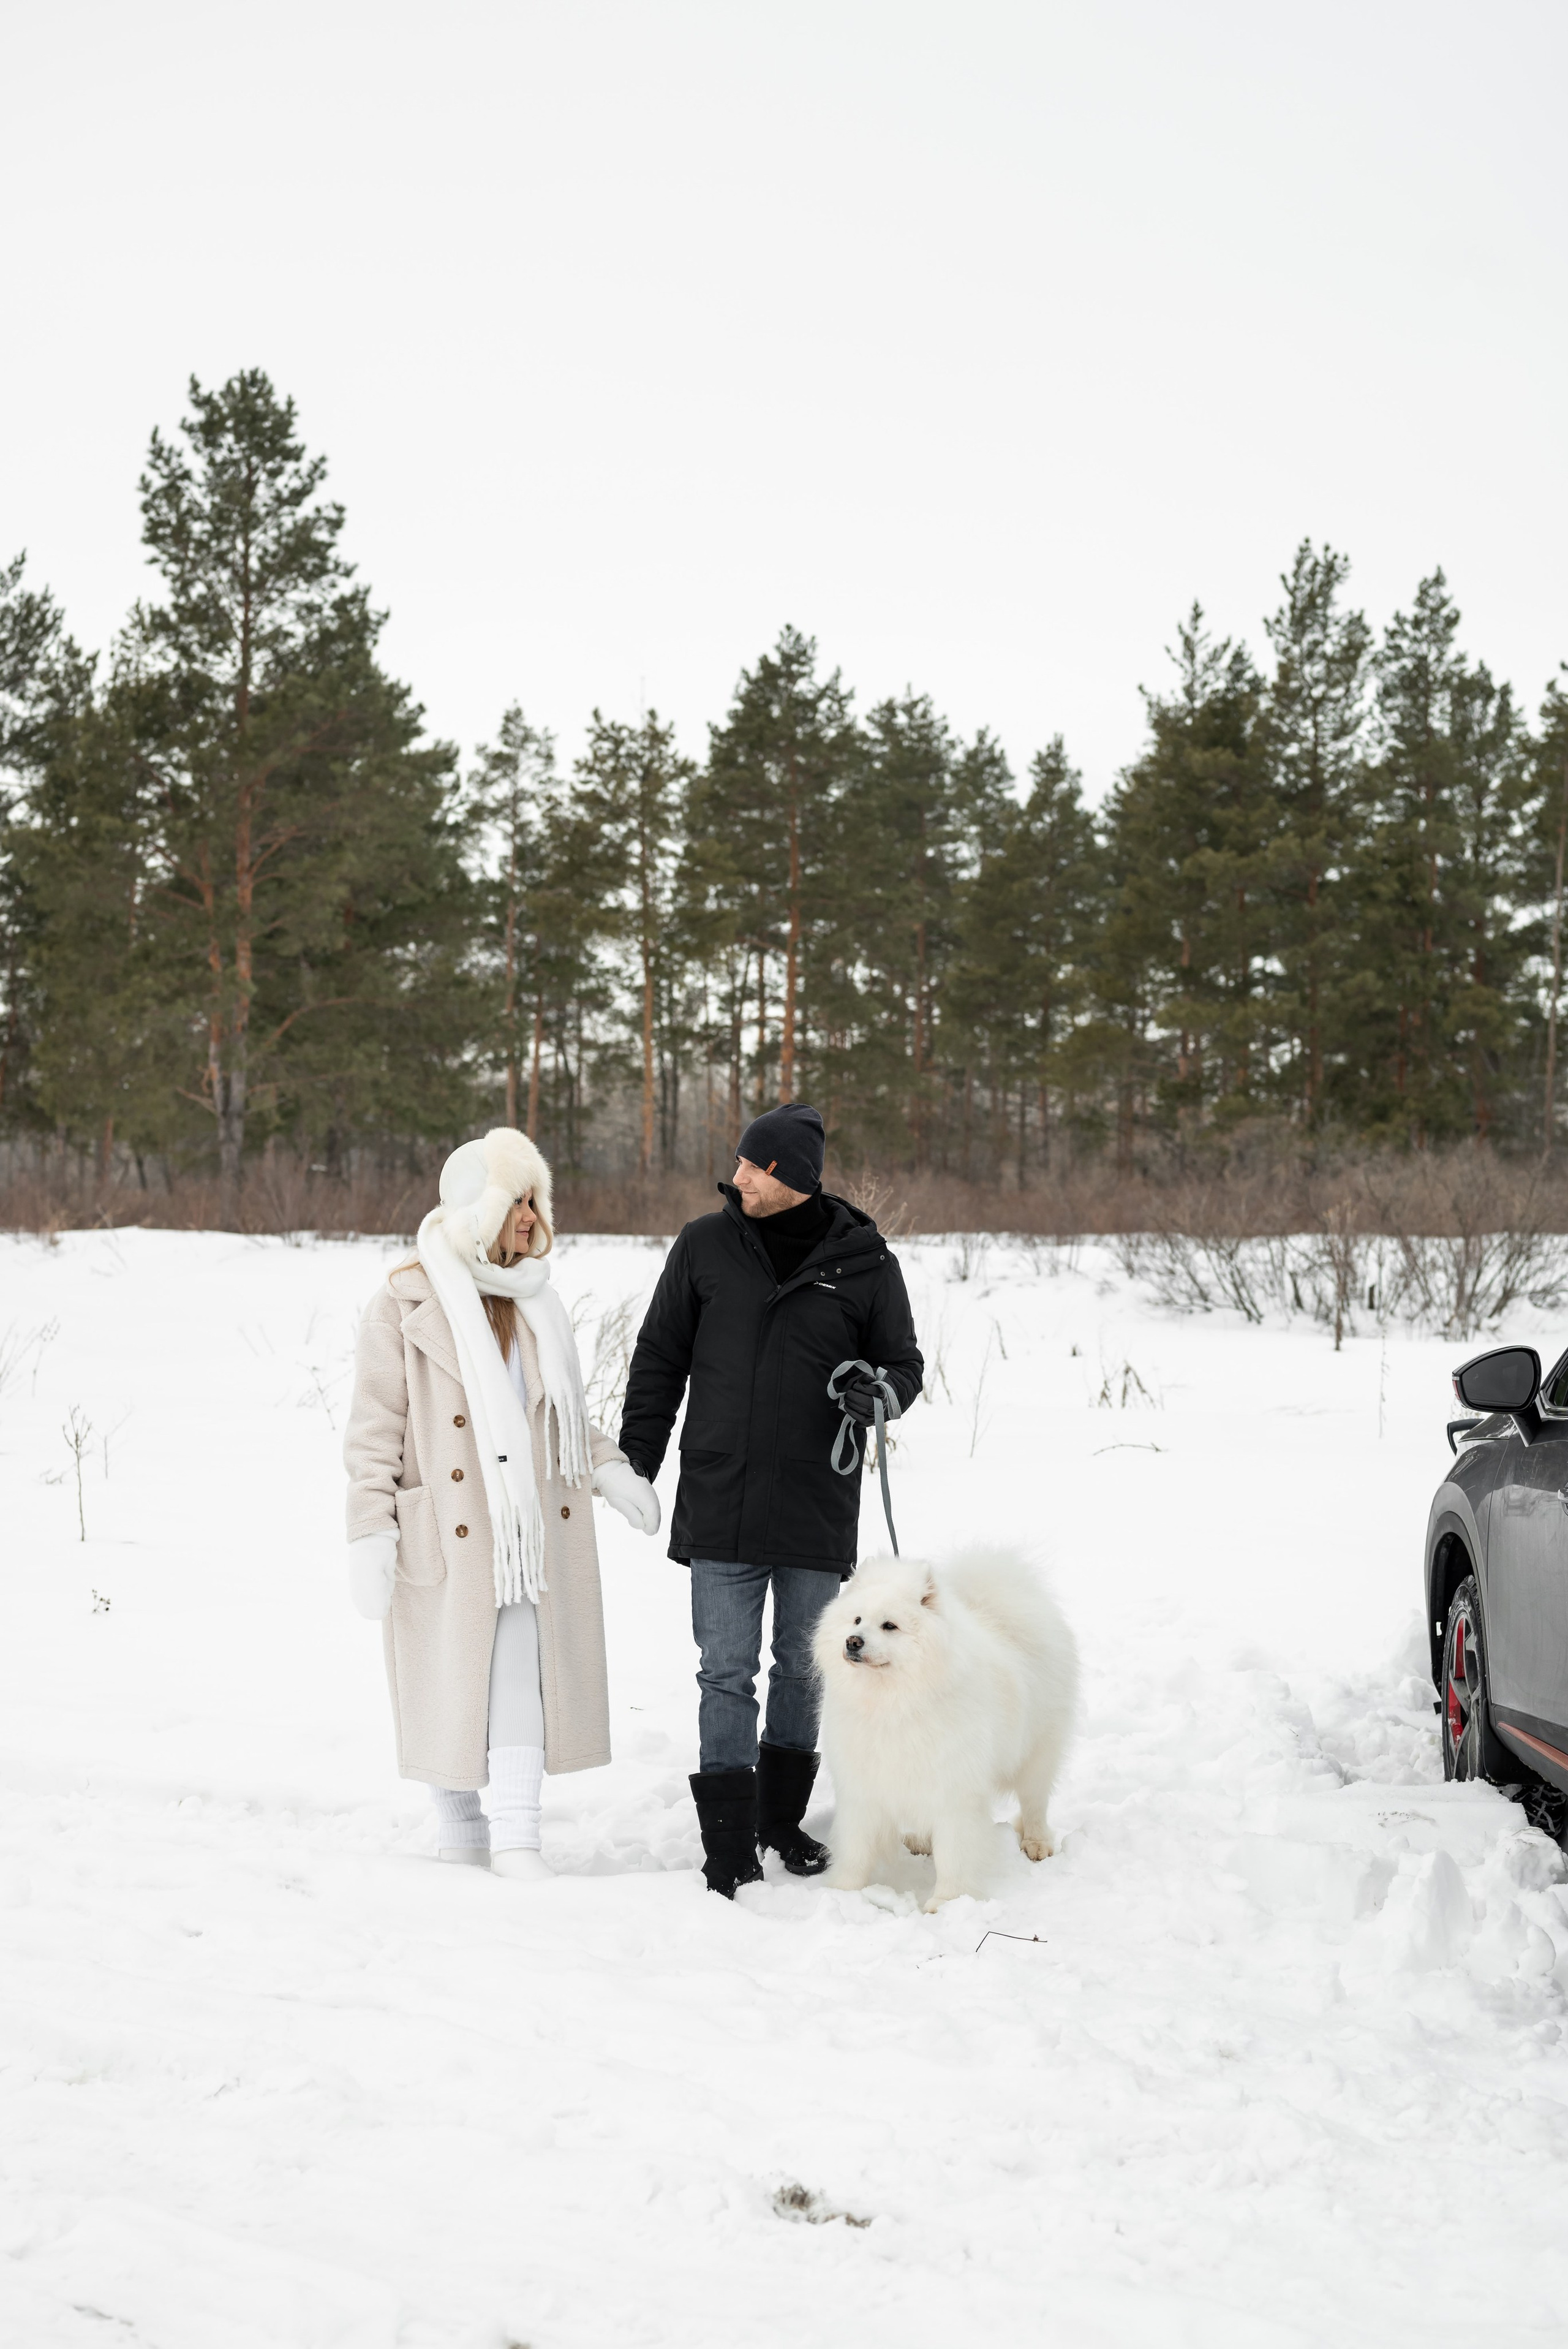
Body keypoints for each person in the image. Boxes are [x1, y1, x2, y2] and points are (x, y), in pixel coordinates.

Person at [619, 1102, 924, 1897]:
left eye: (756, 1166)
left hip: (816, 1502)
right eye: (742, 1163)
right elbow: (659, 1357)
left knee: (803, 1669)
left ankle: (780, 1823)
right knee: (725, 1672)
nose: (739, 1176)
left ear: (793, 1178)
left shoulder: (864, 1262)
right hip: (719, 1496)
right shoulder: (705, 1245)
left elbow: (904, 1363)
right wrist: (636, 1463)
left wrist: (880, 1391)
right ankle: (727, 1844)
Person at [343, 1127, 661, 1878]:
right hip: (444, 1528)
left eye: (534, 1199)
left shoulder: (536, 1302)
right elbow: (374, 1430)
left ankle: (518, 1839)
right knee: (447, 1680)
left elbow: (555, 1413)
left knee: (519, 1669)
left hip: (523, 1528)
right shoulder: (402, 1302)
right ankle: (461, 1837)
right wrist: (369, 1532)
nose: (530, 1216)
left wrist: (608, 1470)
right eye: (516, 1200)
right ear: (478, 1210)